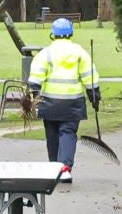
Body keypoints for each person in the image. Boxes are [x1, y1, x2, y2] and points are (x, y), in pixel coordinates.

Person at [28, 17, 99, 183]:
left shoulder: (45, 53)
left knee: (52, 135)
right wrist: (94, 96)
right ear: (71, 33)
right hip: (73, 103)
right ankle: (65, 169)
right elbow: (89, 76)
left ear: (53, 34)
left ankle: (54, 169)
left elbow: (36, 77)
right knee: (68, 133)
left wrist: (34, 96)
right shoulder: (80, 52)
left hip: (49, 102)